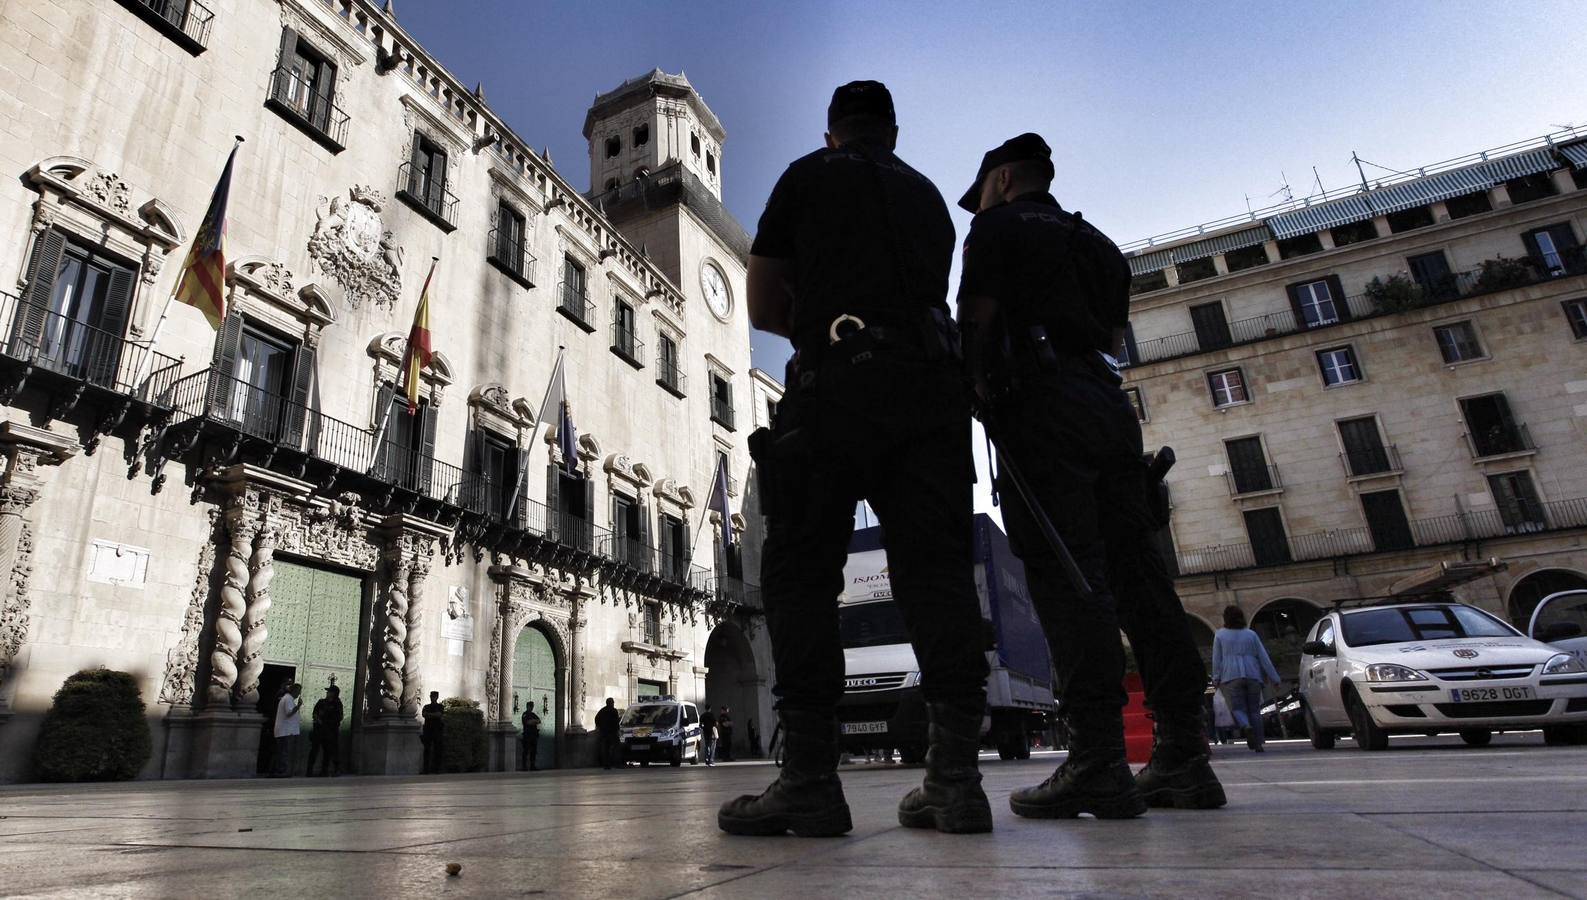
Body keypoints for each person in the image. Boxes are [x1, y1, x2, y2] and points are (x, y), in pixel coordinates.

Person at [719, 80, 992, 838]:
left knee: (802, 575)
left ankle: (808, 780)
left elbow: (764, 303)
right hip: (931, 398)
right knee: (937, 579)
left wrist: (820, 321)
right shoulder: (932, 198)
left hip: (835, 388)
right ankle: (954, 783)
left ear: (832, 131)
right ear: (893, 133)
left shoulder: (808, 174)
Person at [955, 133, 1226, 818]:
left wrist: (978, 392)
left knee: (1068, 576)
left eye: (980, 191)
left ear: (1006, 178)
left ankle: (1097, 760)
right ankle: (1183, 759)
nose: (975, 205)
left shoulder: (996, 228)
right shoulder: (1100, 245)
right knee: (1140, 579)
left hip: (1039, 409)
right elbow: (1111, 344)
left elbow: (978, 322)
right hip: (1107, 407)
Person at [1212, 606, 1281, 752]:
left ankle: (1245, 726)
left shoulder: (1220, 635)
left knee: (1237, 708)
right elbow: (1263, 657)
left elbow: (1216, 659)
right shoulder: (1251, 634)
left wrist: (1216, 678)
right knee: (1255, 710)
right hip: (1253, 674)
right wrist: (1274, 678)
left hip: (1231, 675)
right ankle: (1258, 743)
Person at [306, 684, 343, 777]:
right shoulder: (321, 702)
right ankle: (309, 770)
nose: (327, 693)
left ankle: (325, 770)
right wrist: (317, 719)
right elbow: (314, 712)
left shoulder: (337, 704)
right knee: (314, 750)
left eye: (330, 692)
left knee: (329, 751)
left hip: (330, 731)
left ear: (334, 693)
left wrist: (325, 722)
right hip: (318, 731)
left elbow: (338, 717)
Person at [272, 683, 302, 777]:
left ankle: (277, 770)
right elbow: (289, 713)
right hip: (285, 731)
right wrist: (298, 706)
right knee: (283, 752)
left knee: (281, 751)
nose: (298, 694)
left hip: (284, 731)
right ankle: (282, 771)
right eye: (298, 691)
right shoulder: (288, 699)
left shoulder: (287, 698)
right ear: (294, 691)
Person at [421, 691, 446, 774]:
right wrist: (434, 715)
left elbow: (439, 714)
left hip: (437, 730)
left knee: (437, 750)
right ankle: (426, 769)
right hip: (428, 730)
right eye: (432, 696)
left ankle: (437, 769)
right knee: (427, 750)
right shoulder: (427, 706)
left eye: (434, 696)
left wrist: (430, 715)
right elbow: (424, 714)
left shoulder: (440, 706)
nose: (433, 698)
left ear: (437, 697)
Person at [594, 698, 622, 770]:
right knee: (616, 748)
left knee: (606, 749)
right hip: (612, 733)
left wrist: (599, 727)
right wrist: (617, 730)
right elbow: (616, 722)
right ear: (611, 703)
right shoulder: (614, 710)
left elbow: (596, 719)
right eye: (612, 702)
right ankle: (617, 764)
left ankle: (606, 765)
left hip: (604, 733)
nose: (613, 703)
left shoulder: (602, 710)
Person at [520, 702, 542, 771]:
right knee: (526, 751)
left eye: (532, 706)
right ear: (527, 706)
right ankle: (524, 767)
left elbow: (539, 721)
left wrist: (532, 721)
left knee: (533, 751)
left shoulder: (533, 714)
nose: (532, 707)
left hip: (533, 736)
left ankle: (532, 766)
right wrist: (533, 721)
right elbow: (527, 722)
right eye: (531, 706)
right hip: (527, 735)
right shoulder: (525, 714)